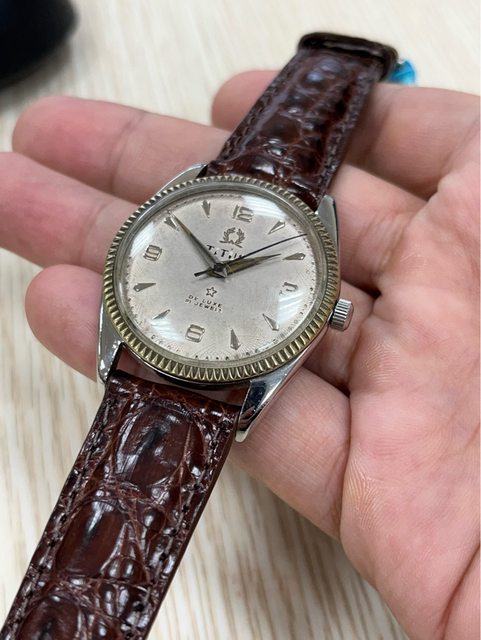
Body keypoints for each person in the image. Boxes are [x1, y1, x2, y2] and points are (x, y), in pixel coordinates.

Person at [0, 73, 479, 639]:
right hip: (148, 348)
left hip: (217, 379)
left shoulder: (305, 258)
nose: (221, 269)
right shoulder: (194, 203)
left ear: (327, 309)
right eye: (217, 264)